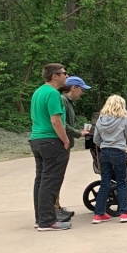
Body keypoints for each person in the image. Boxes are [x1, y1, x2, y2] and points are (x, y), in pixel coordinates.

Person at [30, 63, 72, 231]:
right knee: (51, 181)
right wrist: (65, 140)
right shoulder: (53, 94)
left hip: (37, 140)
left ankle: (40, 217)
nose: (66, 76)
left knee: (41, 180)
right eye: (64, 73)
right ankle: (48, 221)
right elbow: (56, 120)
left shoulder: (38, 92)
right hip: (51, 140)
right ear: (55, 76)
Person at [92, 95, 127, 224]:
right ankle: (124, 212)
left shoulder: (100, 119)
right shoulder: (124, 118)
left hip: (104, 152)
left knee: (105, 183)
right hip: (118, 151)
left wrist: (105, 144)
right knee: (121, 182)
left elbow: (96, 139)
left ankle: (99, 214)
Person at [54, 75, 92, 221]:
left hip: (65, 143)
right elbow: (62, 123)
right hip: (61, 144)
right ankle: (54, 209)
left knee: (58, 177)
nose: (82, 93)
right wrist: (78, 133)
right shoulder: (63, 101)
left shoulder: (67, 101)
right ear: (74, 88)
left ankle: (56, 206)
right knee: (55, 178)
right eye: (81, 89)